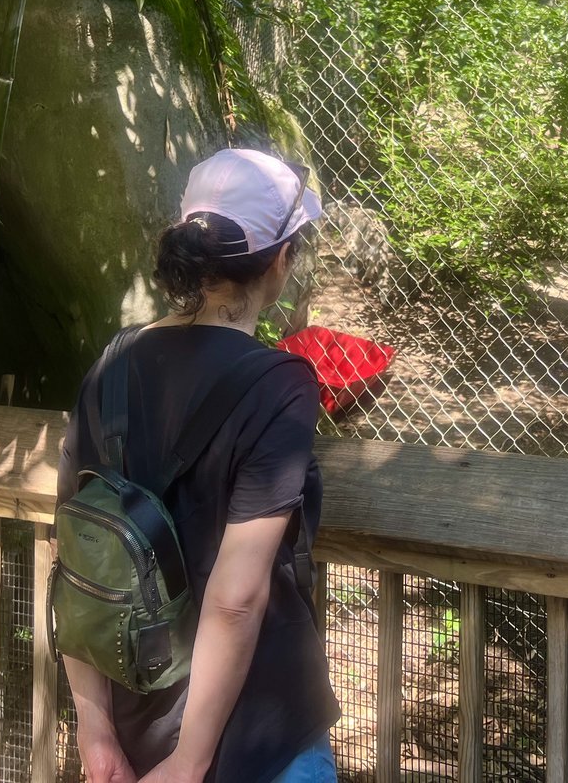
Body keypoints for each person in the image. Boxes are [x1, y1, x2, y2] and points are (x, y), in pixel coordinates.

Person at [57, 148, 340, 783]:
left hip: (133, 727)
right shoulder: (281, 383)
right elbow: (236, 599)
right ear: (280, 259)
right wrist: (190, 763)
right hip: (252, 739)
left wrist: (94, 727)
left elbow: (78, 553)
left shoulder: (112, 365)